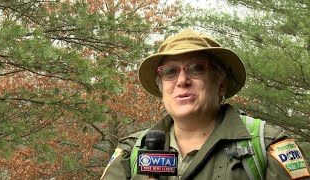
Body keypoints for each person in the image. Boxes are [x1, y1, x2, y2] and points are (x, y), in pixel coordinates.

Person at [100, 29, 310, 180]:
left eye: (196, 68)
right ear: (161, 86)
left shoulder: (266, 146)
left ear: (220, 84)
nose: (182, 81)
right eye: (170, 72)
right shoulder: (132, 152)